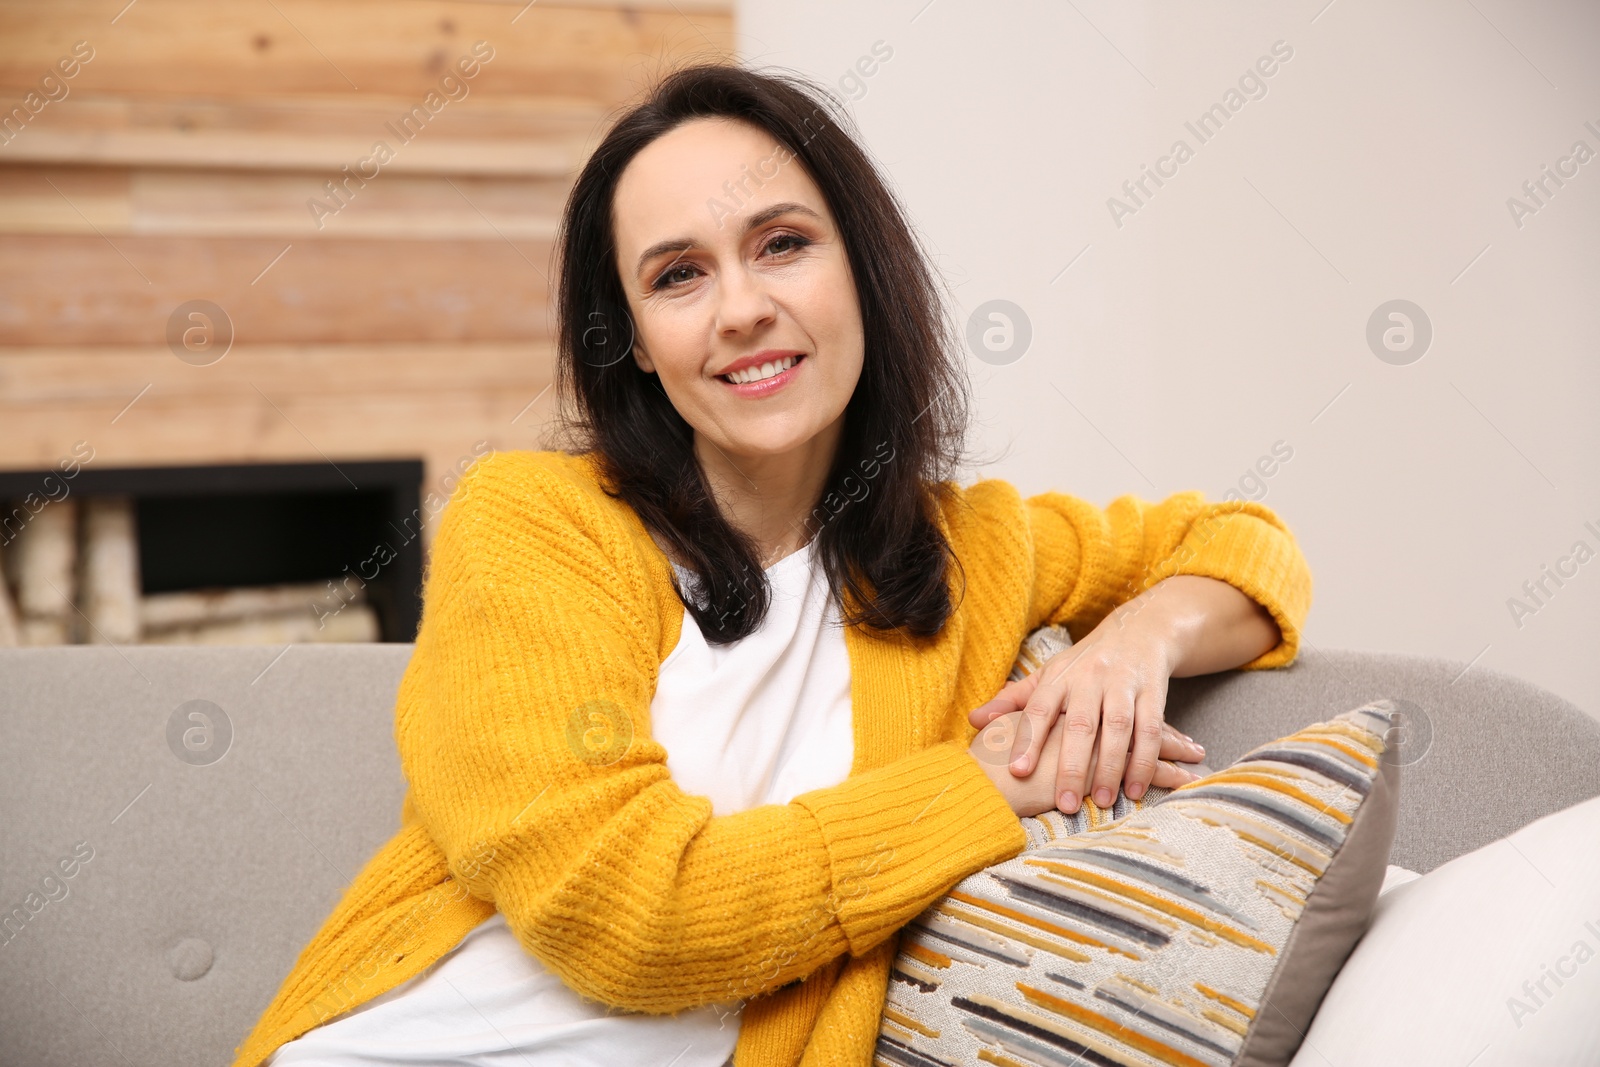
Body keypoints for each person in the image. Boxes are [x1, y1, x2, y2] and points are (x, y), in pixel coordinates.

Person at [236, 64, 1310, 1067]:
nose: (741, 305)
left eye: (782, 243)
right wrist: (986, 784)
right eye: (679, 275)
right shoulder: (532, 525)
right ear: (639, 344)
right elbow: (630, 920)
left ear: (863, 270)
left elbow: (1243, 541)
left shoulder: (976, 547)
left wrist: (1136, 643)